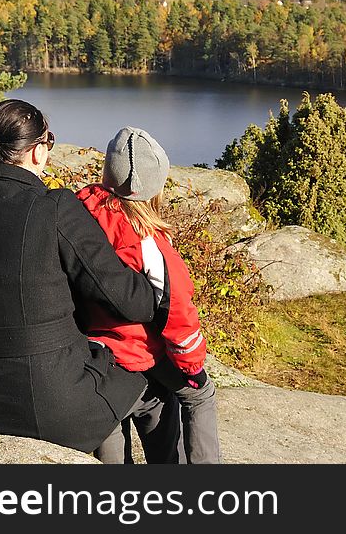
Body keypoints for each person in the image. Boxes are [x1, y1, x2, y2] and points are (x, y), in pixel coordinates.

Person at [0, 99, 179, 458]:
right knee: (154, 389)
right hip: (50, 407)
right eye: (49, 141)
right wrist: (154, 268)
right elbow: (133, 302)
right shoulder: (55, 208)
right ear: (36, 151)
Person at [76, 126, 222, 464]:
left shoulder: (77, 212)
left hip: (90, 353)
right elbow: (178, 315)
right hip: (138, 352)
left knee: (110, 420)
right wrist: (193, 367)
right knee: (199, 395)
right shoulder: (149, 244)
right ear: (154, 187)